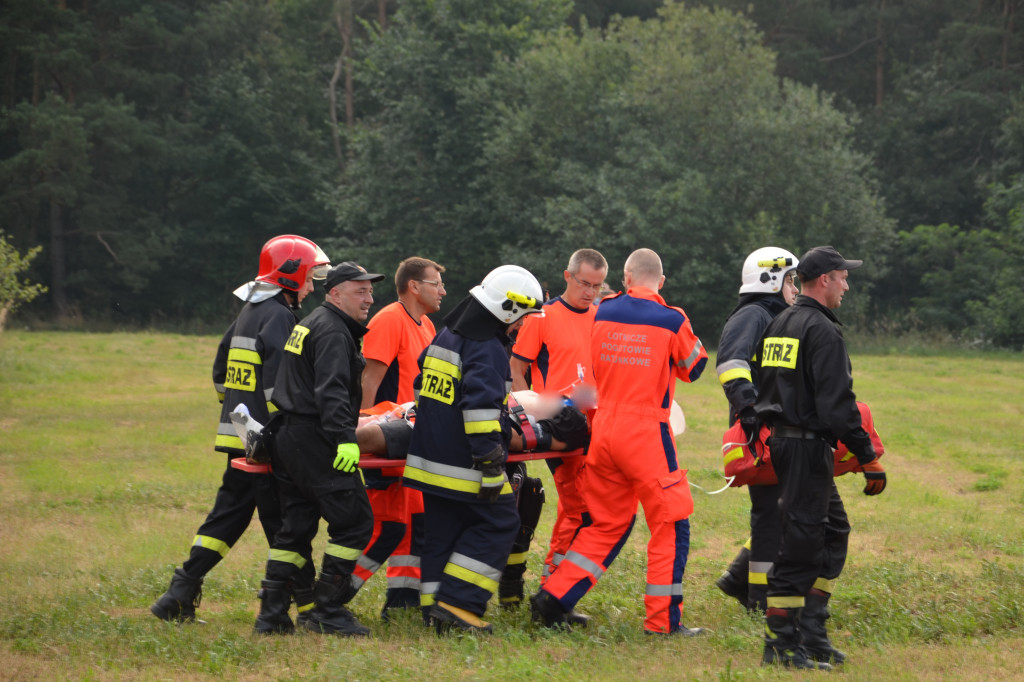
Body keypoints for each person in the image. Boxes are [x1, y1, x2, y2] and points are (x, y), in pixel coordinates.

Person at [151, 235, 329, 624]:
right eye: (309, 277)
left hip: (240, 437)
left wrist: (235, 408)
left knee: (228, 516)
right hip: (267, 440)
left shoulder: (250, 309)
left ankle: (179, 593)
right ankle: (308, 608)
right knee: (286, 523)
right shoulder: (280, 316)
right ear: (291, 274)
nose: (312, 287)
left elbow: (221, 371)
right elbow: (283, 386)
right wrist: (291, 431)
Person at [531, 248, 709, 636]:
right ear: (661, 282)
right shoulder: (672, 318)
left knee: (605, 524)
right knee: (671, 523)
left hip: (603, 431)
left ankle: (553, 598)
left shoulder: (604, 311)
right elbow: (694, 366)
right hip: (646, 435)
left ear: (626, 279)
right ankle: (662, 622)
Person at [754, 246, 887, 670]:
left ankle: (812, 633)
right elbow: (837, 404)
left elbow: (765, 385)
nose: (847, 285)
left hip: (788, 443)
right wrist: (867, 455)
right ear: (825, 279)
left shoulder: (780, 322)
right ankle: (781, 645)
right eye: (843, 277)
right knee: (802, 543)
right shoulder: (821, 330)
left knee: (832, 532)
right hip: (805, 447)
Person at [402, 265, 545, 634]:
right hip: (465, 464)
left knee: (442, 533)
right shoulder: (486, 348)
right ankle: (459, 606)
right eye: (523, 316)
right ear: (507, 309)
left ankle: (434, 612)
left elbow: (421, 383)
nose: (522, 325)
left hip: (428, 460)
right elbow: (481, 411)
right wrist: (491, 464)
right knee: (501, 522)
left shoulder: (447, 335)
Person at [253, 261, 384, 637]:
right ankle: (327, 610)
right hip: (317, 439)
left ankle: (272, 616)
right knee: (355, 522)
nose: (369, 299)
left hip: (289, 438)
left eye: (370, 291)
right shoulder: (333, 331)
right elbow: (331, 391)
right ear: (336, 294)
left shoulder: (312, 322)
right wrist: (345, 439)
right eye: (360, 292)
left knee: (294, 529)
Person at [510, 248, 608, 602]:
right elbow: (516, 370)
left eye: (597, 286)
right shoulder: (542, 317)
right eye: (585, 283)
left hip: (596, 424)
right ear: (568, 276)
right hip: (558, 427)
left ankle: (555, 590)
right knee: (579, 508)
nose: (590, 292)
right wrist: (530, 416)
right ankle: (552, 591)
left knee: (586, 509)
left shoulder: (600, 318)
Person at [354, 257, 445, 618]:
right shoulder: (390, 319)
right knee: (386, 529)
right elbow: (368, 381)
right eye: (436, 283)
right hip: (385, 441)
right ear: (414, 286)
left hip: (413, 439)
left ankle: (402, 601)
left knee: (416, 524)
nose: (442, 291)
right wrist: (364, 435)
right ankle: (327, 597)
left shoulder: (427, 325)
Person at [714, 248, 800, 613]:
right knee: (769, 512)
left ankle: (739, 578)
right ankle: (759, 597)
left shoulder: (774, 315)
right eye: (791, 281)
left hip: (775, 423)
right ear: (772, 280)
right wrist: (749, 409)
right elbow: (731, 362)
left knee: (780, 510)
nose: (795, 289)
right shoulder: (754, 314)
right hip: (759, 427)